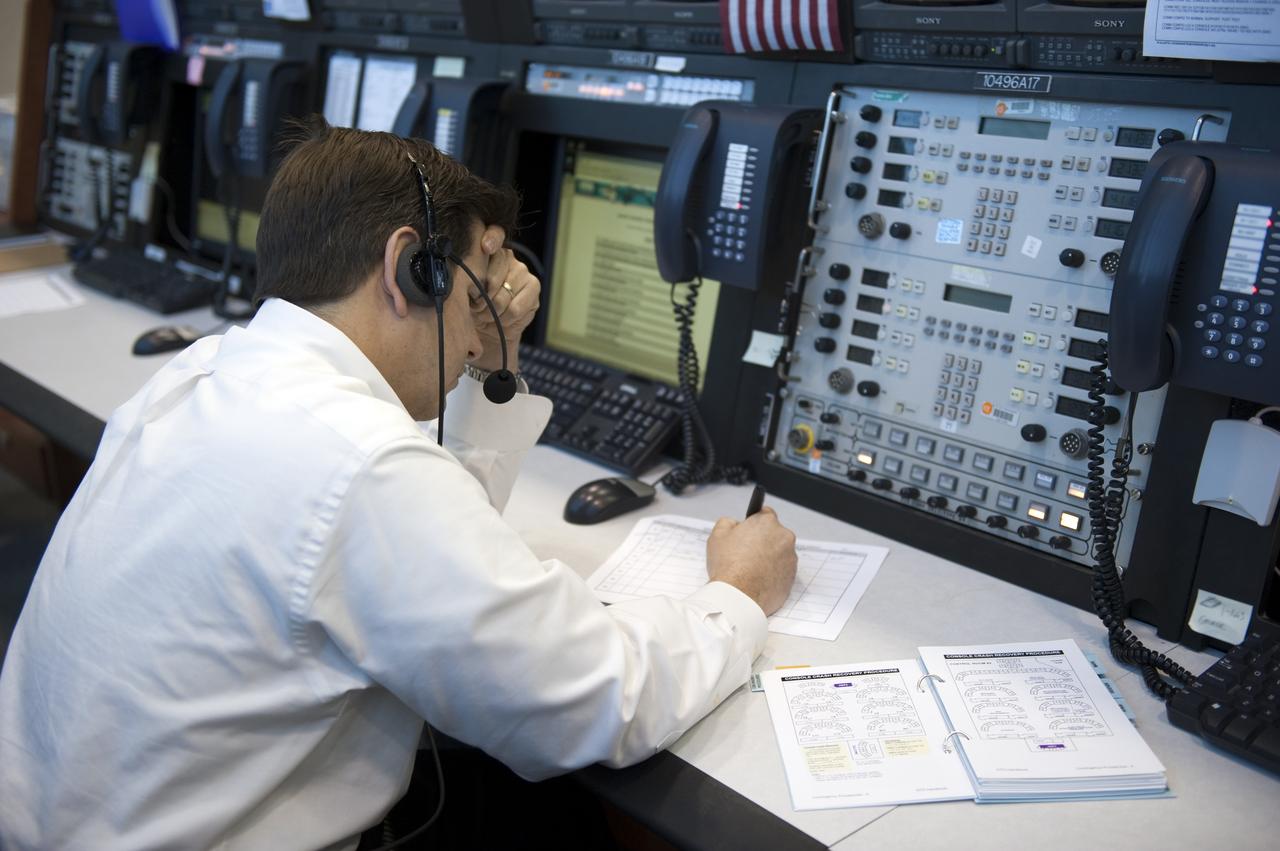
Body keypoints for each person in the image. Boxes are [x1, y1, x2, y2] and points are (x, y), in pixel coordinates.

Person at [0, 120, 799, 850]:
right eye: (472, 282)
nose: (483, 302)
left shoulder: (207, 373)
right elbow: (600, 704)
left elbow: (435, 560)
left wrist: (494, 354)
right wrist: (736, 594)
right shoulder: (359, 464)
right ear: (407, 269)